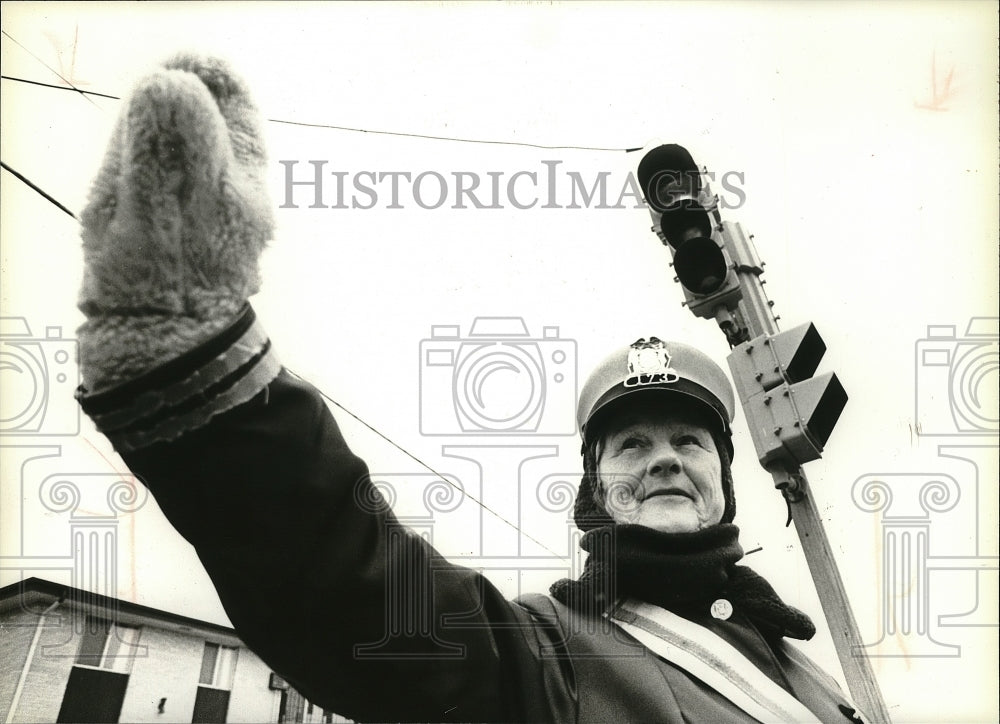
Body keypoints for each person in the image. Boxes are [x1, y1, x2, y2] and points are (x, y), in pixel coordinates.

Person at [74, 53, 866, 723]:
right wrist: (189, 355)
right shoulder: (547, 657)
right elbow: (358, 592)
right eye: (632, 444)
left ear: (726, 481)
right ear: (595, 489)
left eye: (689, 441)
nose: (664, 459)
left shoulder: (812, 675)